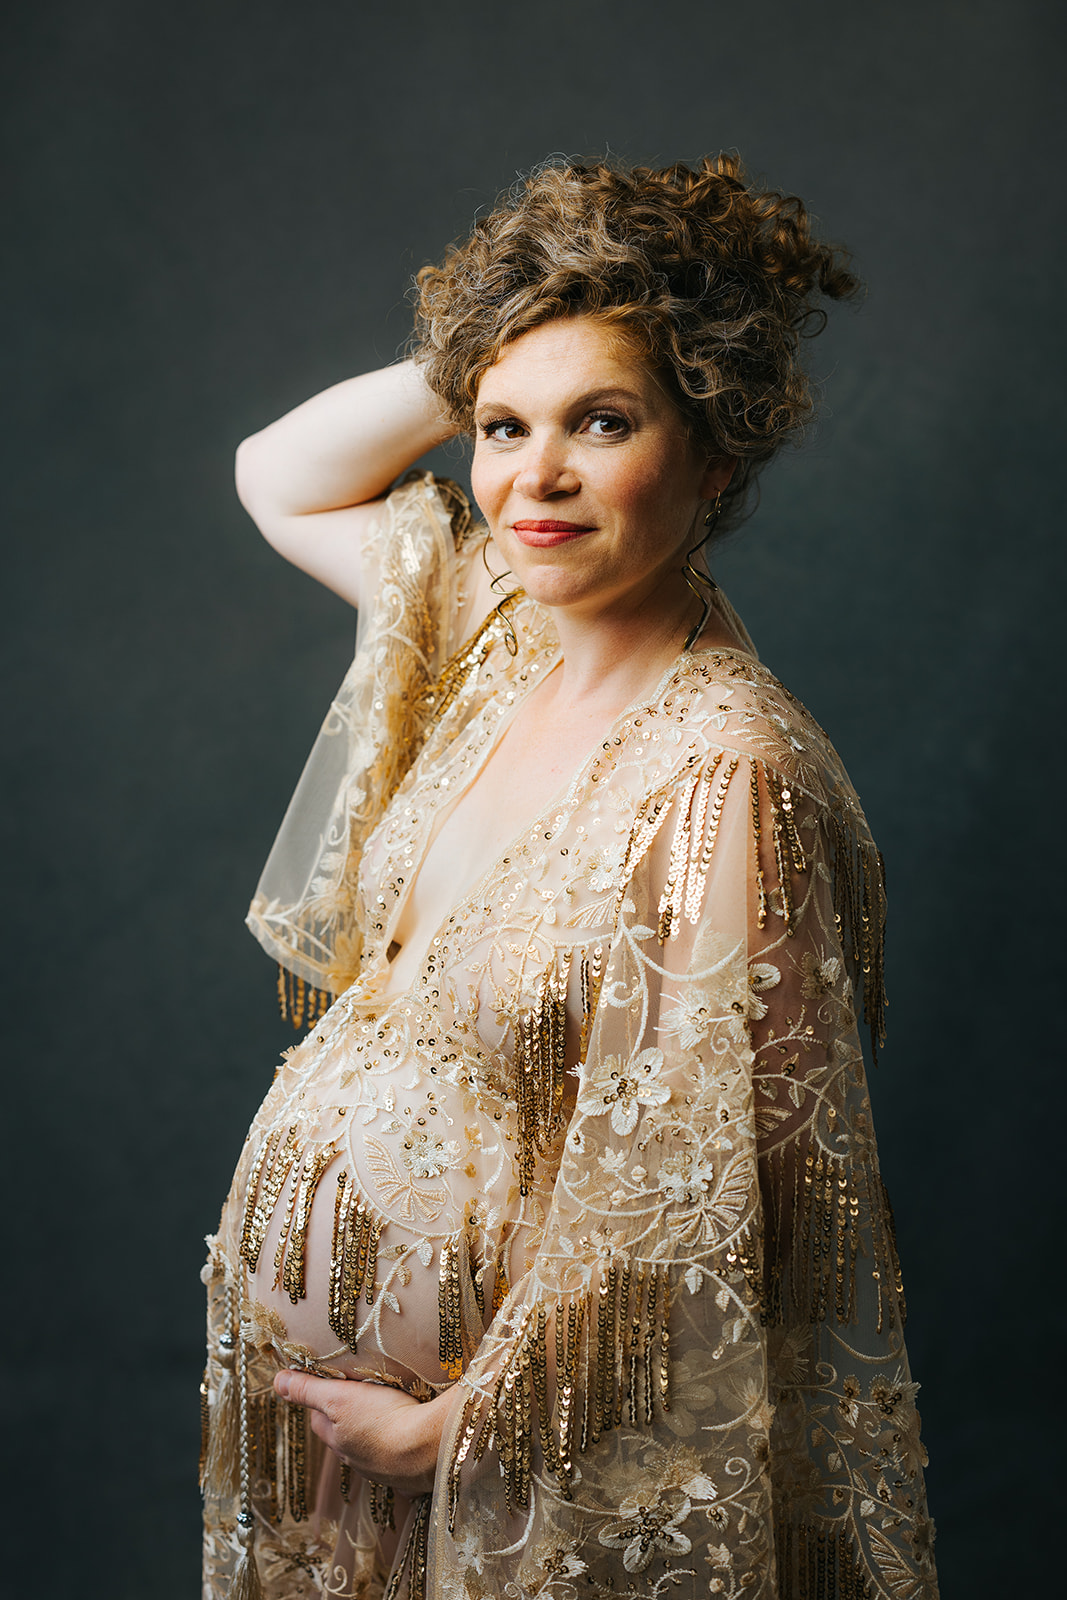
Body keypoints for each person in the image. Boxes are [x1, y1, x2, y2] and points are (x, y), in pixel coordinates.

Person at [201, 155, 938, 1600]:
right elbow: (274, 476)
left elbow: (727, 1213)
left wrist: (454, 1433)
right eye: (499, 426)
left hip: (508, 1466)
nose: (532, 478)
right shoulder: (495, 623)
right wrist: (526, 305)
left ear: (713, 455)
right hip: (323, 1455)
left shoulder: (727, 774)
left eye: (600, 425)